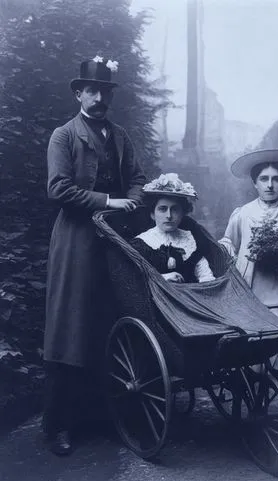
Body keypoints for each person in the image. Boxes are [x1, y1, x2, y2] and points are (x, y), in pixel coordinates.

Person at [43, 56, 146, 455]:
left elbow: (137, 179)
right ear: (79, 93)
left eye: (106, 91)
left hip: (114, 241)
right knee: (70, 327)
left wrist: (133, 202)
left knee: (111, 320)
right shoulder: (63, 136)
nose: (100, 97)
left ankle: (105, 418)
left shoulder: (119, 135)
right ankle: (58, 427)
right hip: (76, 242)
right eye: (93, 90)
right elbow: (59, 189)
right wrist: (110, 201)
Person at [219, 149, 278, 378]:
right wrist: (228, 255)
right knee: (251, 354)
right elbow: (227, 242)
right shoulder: (243, 214)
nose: (270, 185)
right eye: (264, 179)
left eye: (277, 179)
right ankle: (249, 381)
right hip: (250, 293)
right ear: (254, 182)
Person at [130, 173, 215, 283]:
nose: (169, 215)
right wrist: (163, 278)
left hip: (191, 296)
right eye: (162, 209)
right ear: (152, 214)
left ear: (182, 213)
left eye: (174, 209)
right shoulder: (141, 243)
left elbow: (205, 275)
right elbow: (135, 280)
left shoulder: (191, 239)